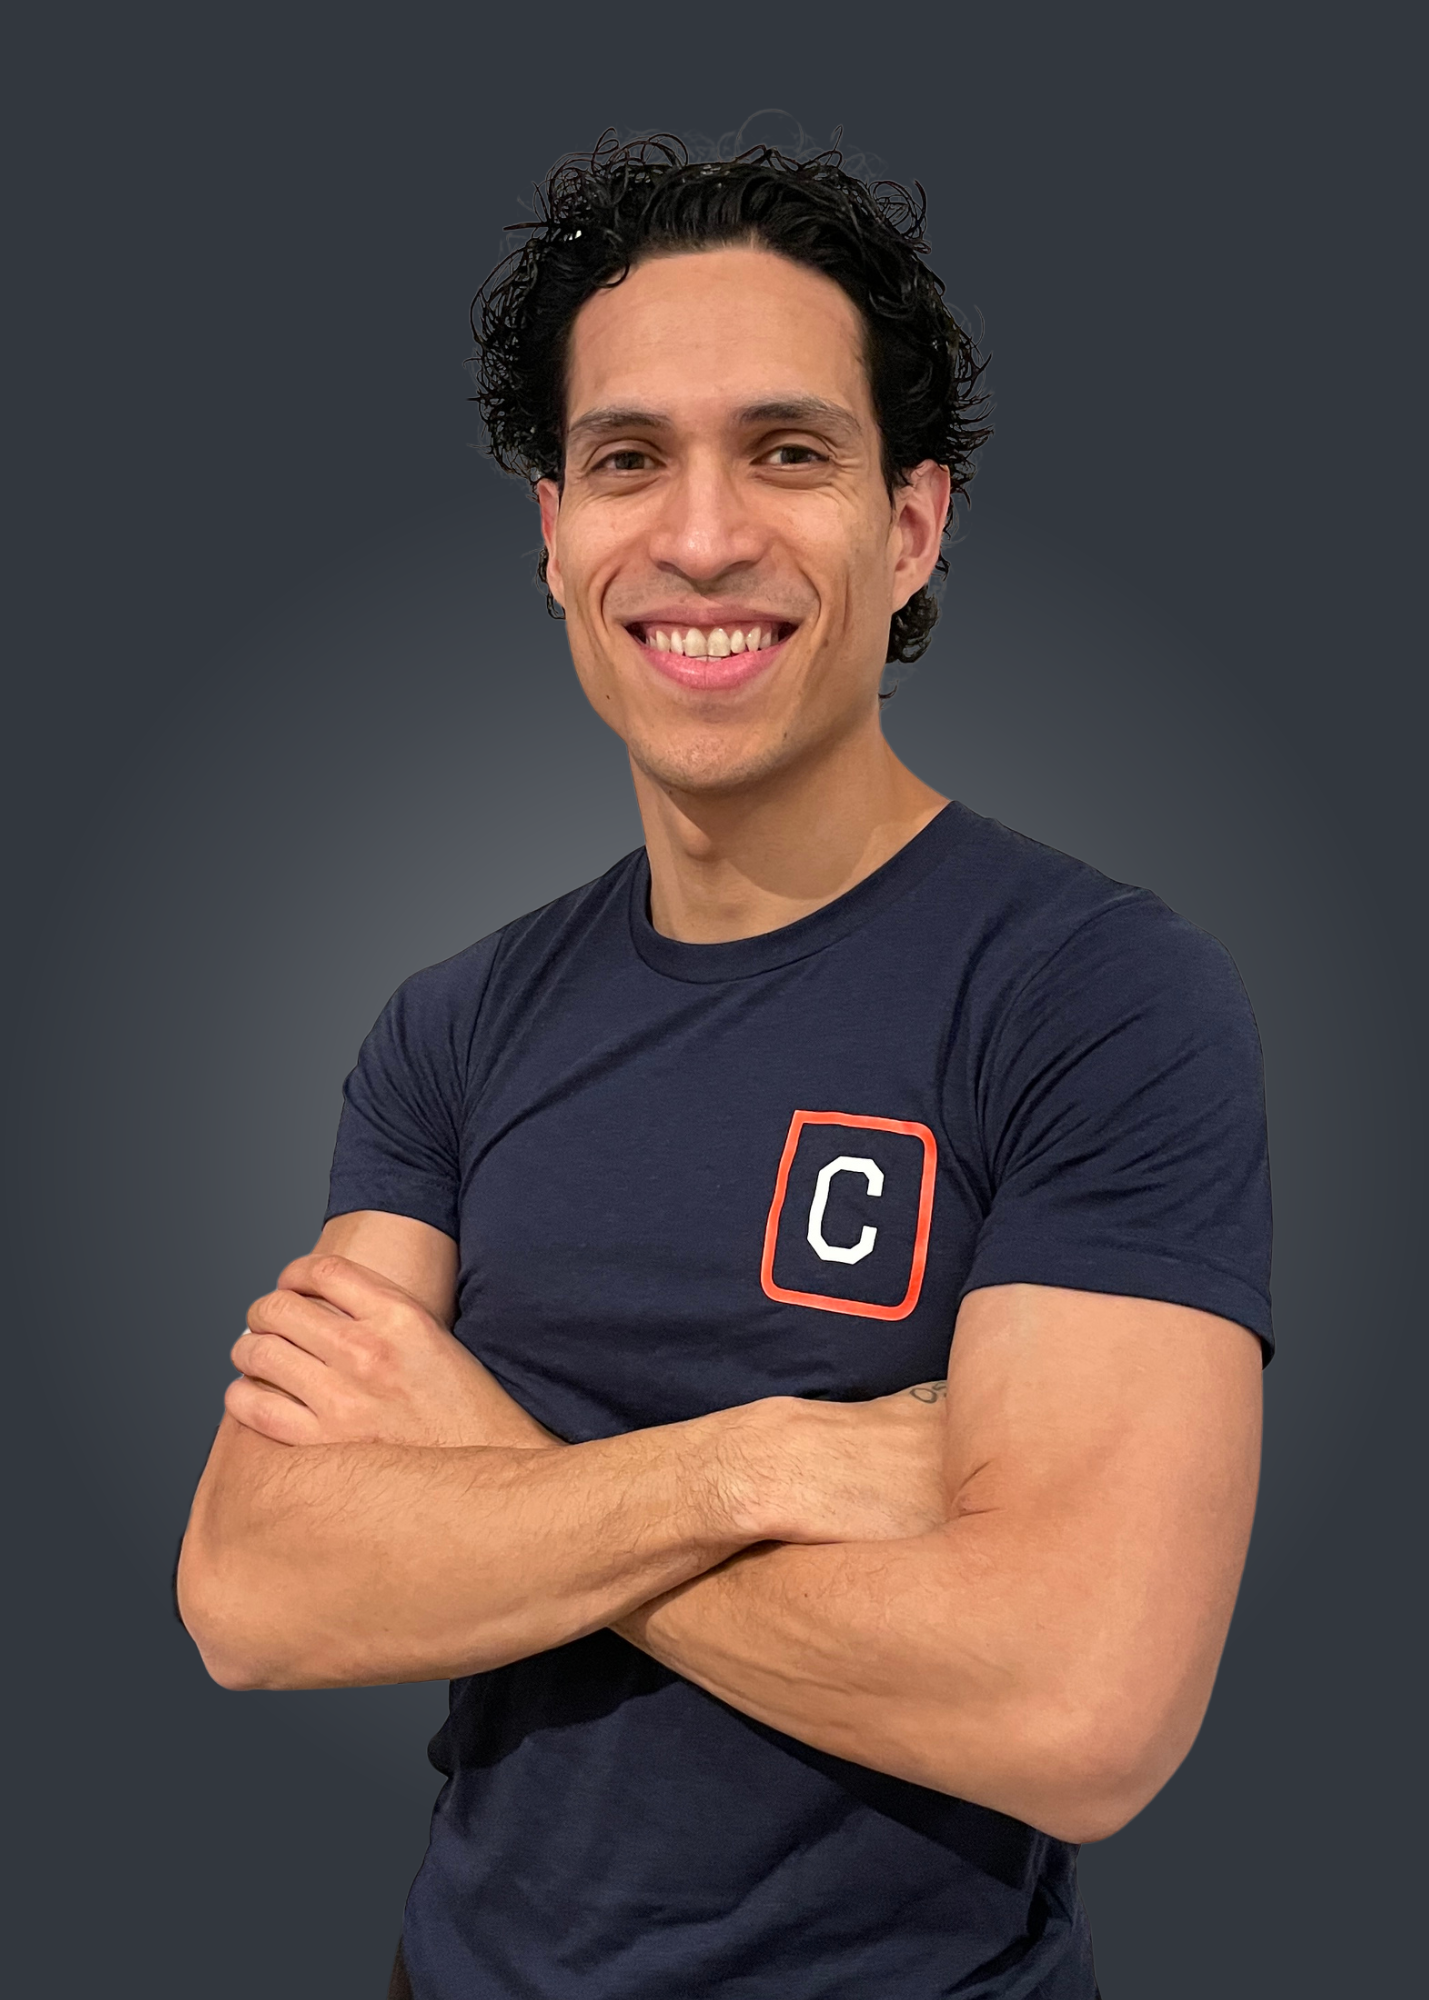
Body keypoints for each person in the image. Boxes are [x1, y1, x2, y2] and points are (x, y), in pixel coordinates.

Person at [178, 135, 1271, 2000]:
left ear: (911, 524)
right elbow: (257, 1594)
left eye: (787, 451)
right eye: (627, 460)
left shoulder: (1095, 995)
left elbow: (1079, 1709)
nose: (699, 537)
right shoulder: (451, 1028)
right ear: (552, 539)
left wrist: (485, 1472)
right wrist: (755, 1465)